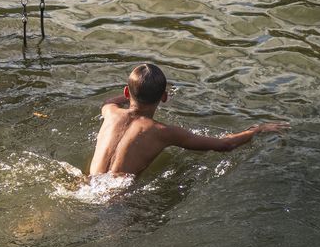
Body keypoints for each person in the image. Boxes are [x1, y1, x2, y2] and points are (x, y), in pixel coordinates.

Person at [89, 63, 289, 176]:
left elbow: (108, 101)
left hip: (87, 185)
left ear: (126, 92)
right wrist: (257, 129)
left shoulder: (110, 111)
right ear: (164, 98)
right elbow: (225, 145)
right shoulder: (162, 132)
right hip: (118, 198)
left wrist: (129, 95)